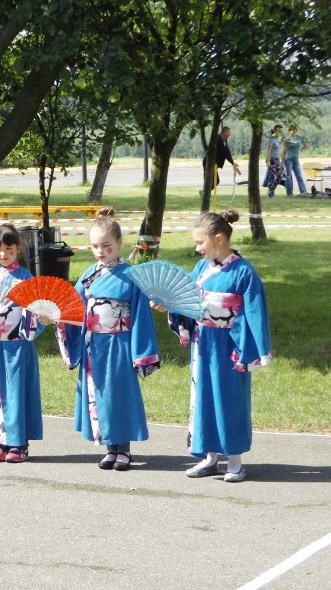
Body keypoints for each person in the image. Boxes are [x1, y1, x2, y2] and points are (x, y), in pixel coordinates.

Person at [159, 210, 271, 483]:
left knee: (230, 399)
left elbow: (253, 313)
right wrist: (170, 306)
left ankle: (234, 460)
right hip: (204, 343)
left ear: (218, 239)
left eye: (200, 243)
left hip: (229, 345)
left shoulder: (244, 272)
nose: (197, 249)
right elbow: (188, 300)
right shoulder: (201, 269)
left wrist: (247, 349)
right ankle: (208, 457)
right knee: (203, 398)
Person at [52, 208, 160, 470]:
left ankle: (124, 449)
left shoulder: (132, 276)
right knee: (99, 394)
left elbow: (140, 316)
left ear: (120, 244)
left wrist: (140, 352)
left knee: (119, 394)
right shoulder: (89, 275)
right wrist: (56, 316)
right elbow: (73, 307)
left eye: (106, 246)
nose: (101, 251)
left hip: (119, 344)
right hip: (94, 346)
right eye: (95, 246)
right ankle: (110, 447)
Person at [0, 223, 47, 463]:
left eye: (9, 248)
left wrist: (36, 321)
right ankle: (2, 440)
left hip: (19, 346)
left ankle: (19, 443)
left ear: (19, 248)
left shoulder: (26, 279)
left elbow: (36, 312)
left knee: (17, 393)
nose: (3, 253)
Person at [280, 124, 309, 198]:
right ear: (289, 131)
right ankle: (289, 194)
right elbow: (283, 152)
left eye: (295, 131)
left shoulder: (299, 138)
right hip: (288, 159)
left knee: (299, 176)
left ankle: (303, 193)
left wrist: (302, 148)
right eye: (292, 131)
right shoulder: (287, 139)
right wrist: (282, 163)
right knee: (288, 177)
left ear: (296, 131)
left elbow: (305, 145)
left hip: (296, 160)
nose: (293, 132)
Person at [264, 125, 285, 199]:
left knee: (277, 176)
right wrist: (268, 161)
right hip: (272, 159)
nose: (281, 132)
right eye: (280, 130)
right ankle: (270, 193)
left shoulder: (276, 139)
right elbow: (268, 151)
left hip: (276, 159)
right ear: (276, 130)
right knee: (275, 176)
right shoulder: (271, 139)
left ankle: (271, 192)